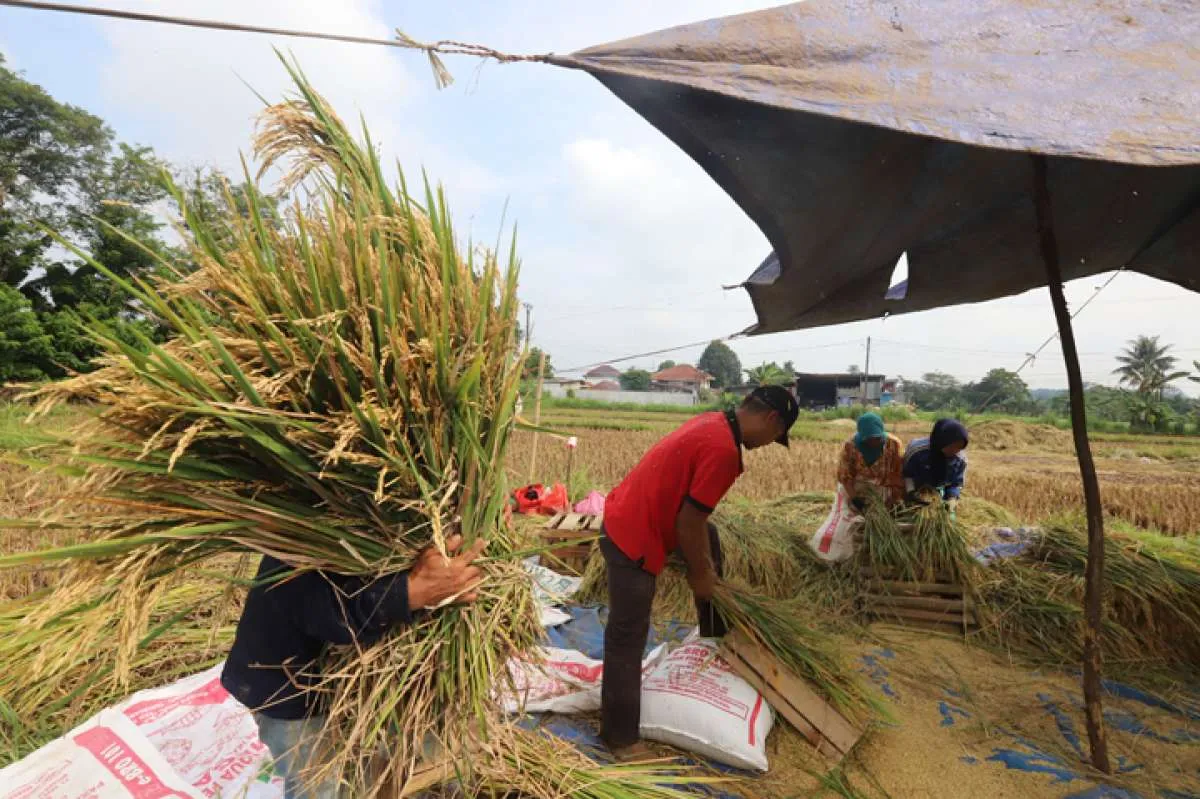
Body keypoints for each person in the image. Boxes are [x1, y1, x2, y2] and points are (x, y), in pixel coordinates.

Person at [598, 385, 799, 761]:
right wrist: (701, 576)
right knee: (627, 637)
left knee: (711, 537)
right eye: (777, 436)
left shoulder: (714, 423)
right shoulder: (724, 450)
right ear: (772, 420)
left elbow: (697, 523)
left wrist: (706, 569)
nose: (772, 442)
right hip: (633, 536)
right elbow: (688, 522)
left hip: (633, 511)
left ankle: (714, 632)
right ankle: (620, 739)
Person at [221, 534, 488, 799]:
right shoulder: (307, 535)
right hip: (289, 686)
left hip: (367, 677)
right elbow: (328, 613)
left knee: (379, 765)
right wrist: (409, 593)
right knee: (320, 786)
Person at [836, 412, 904, 509]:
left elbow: (898, 474)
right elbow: (845, 476)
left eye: (878, 438)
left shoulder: (893, 444)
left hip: (883, 488)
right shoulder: (850, 446)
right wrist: (855, 499)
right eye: (870, 439)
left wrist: (893, 499)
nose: (874, 442)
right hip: (858, 487)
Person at [903, 418, 969, 507]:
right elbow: (907, 474)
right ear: (942, 441)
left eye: (959, 448)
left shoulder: (960, 460)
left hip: (936, 496)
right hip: (915, 491)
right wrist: (911, 492)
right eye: (952, 447)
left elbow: (956, 483)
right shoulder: (917, 451)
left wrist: (952, 498)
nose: (955, 451)